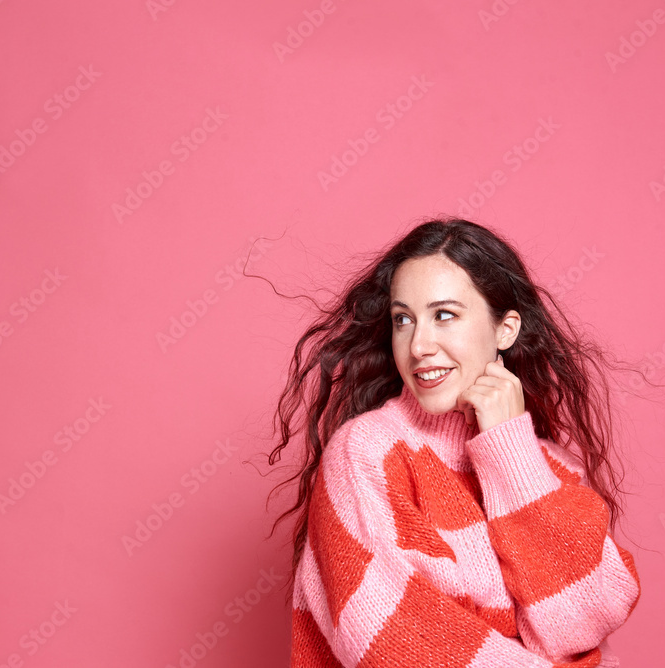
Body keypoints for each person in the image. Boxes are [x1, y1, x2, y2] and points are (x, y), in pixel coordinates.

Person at [263, 218, 645, 667]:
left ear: (505, 330)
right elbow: (393, 644)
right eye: (403, 320)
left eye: (444, 315)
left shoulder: (551, 468)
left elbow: (582, 622)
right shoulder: (365, 454)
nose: (418, 345)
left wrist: (509, 450)